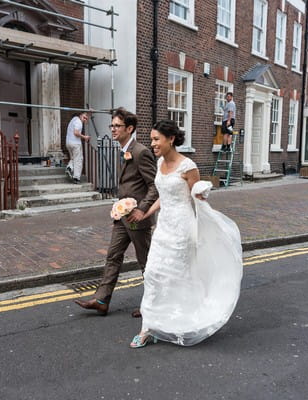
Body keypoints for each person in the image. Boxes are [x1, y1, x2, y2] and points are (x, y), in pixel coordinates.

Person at [129, 120, 243, 348]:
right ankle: (147, 328)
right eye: (151, 139)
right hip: (163, 228)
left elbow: (195, 197)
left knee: (178, 277)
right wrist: (145, 212)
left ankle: (181, 320)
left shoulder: (188, 166)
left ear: (170, 139)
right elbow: (164, 195)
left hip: (182, 229)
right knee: (152, 274)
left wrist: (201, 193)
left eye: (156, 139)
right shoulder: (160, 163)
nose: (152, 144)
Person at [74, 107, 159, 317]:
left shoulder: (141, 152)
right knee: (113, 256)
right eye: (111, 125)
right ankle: (102, 300)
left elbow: (155, 186)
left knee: (146, 261)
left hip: (137, 218)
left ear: (129, 128)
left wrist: (141, 210)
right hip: (122, 217)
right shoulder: (123, 150)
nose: (113, 129)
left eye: (117, 126)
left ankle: (154, 304)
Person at [65, 111, 91, 184]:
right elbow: (76, 133)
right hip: (75, 143)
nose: (85, 119)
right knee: (79, 160)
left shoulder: (73, 119)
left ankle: (69, 168)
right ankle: (76, 178)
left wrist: (89, 113)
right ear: (80, 114)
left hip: (68, 143)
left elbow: (85, 115)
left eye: (86, 118)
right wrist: (85, 137)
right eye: (84, 117)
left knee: (73, 158)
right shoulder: (79, 122)